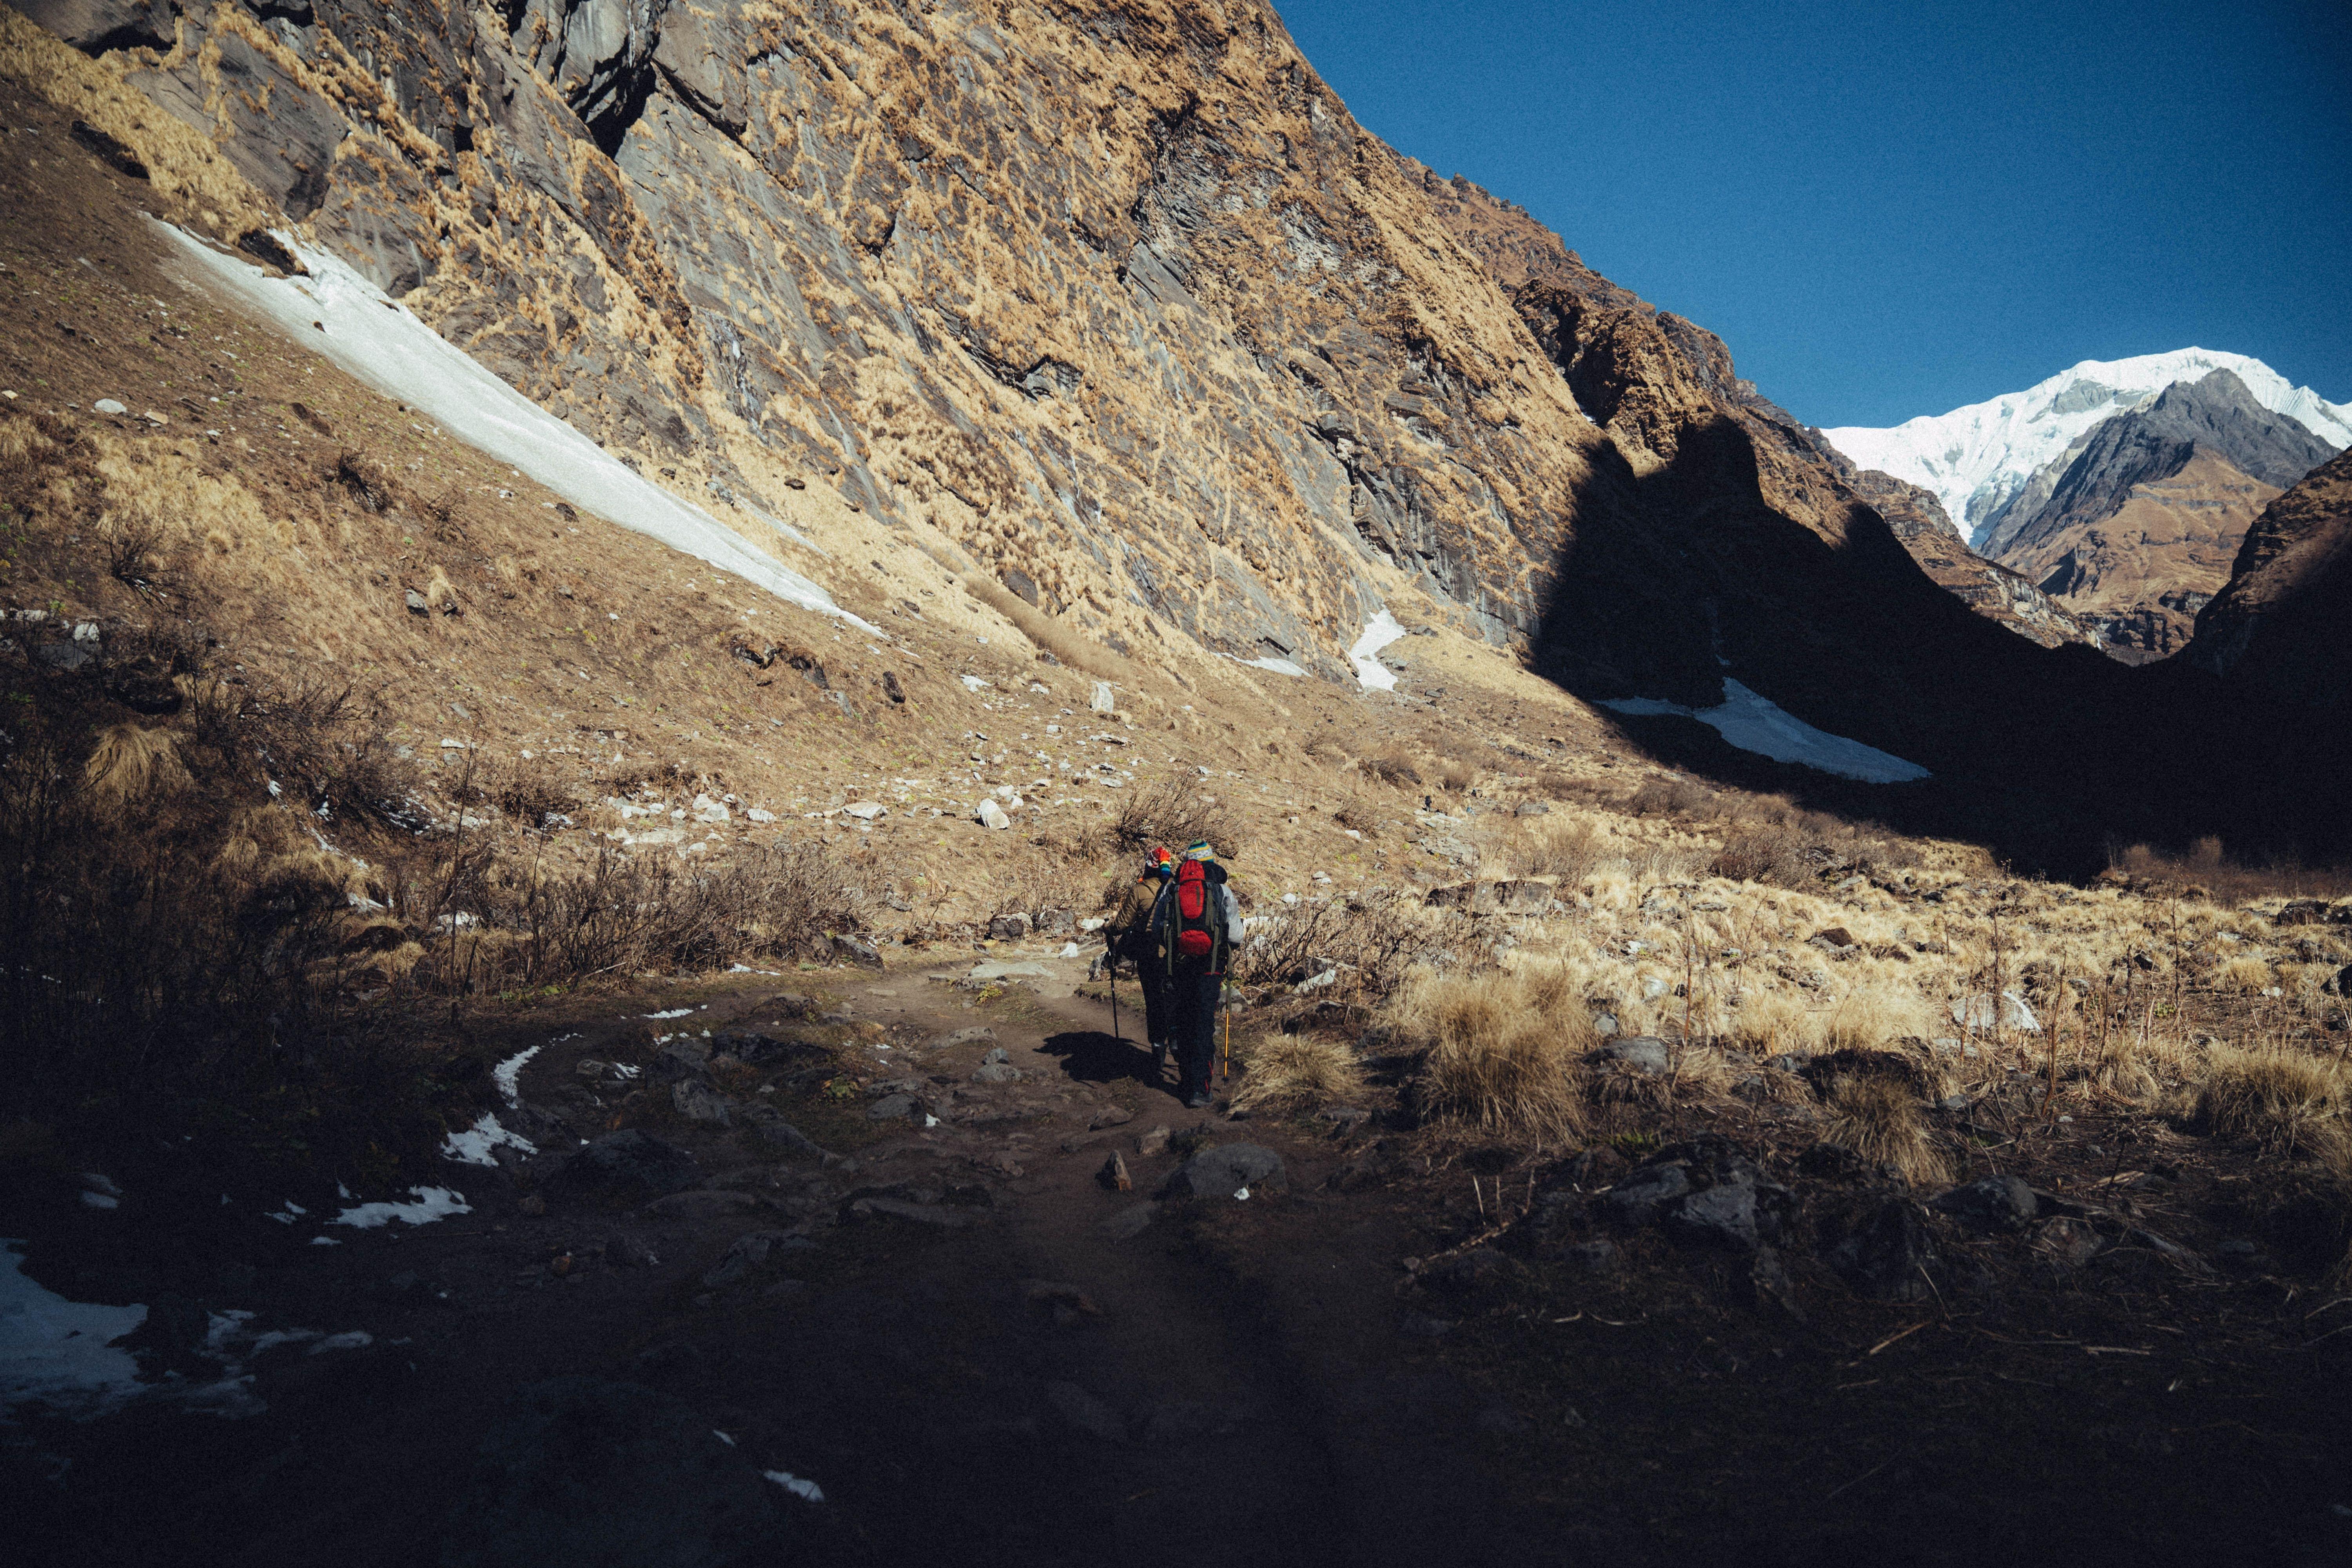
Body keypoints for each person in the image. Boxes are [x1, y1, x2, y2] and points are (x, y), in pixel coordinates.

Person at [1149, 839, 1244, 1109]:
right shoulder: (1223, 891)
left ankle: (1185, 1079)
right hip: (1210, 968)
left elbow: (1158, 931)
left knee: (1185, 1020)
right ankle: (1200, 1090)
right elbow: (1237, 936)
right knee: (1203, 1025)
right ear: (1211, 863)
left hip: (1179, 966)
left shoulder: (1172, 890)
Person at [1102, 847, 1176, 1074]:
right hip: (1174, 957)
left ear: (1148, 867)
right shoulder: (1176, 889)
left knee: (1154, 1002)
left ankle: (1158, 1050)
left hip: (1149, 956)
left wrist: (1107, 928)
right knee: (1173, 1000)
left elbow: (1122, 925)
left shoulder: (1139, 891)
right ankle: (1177, 1040)